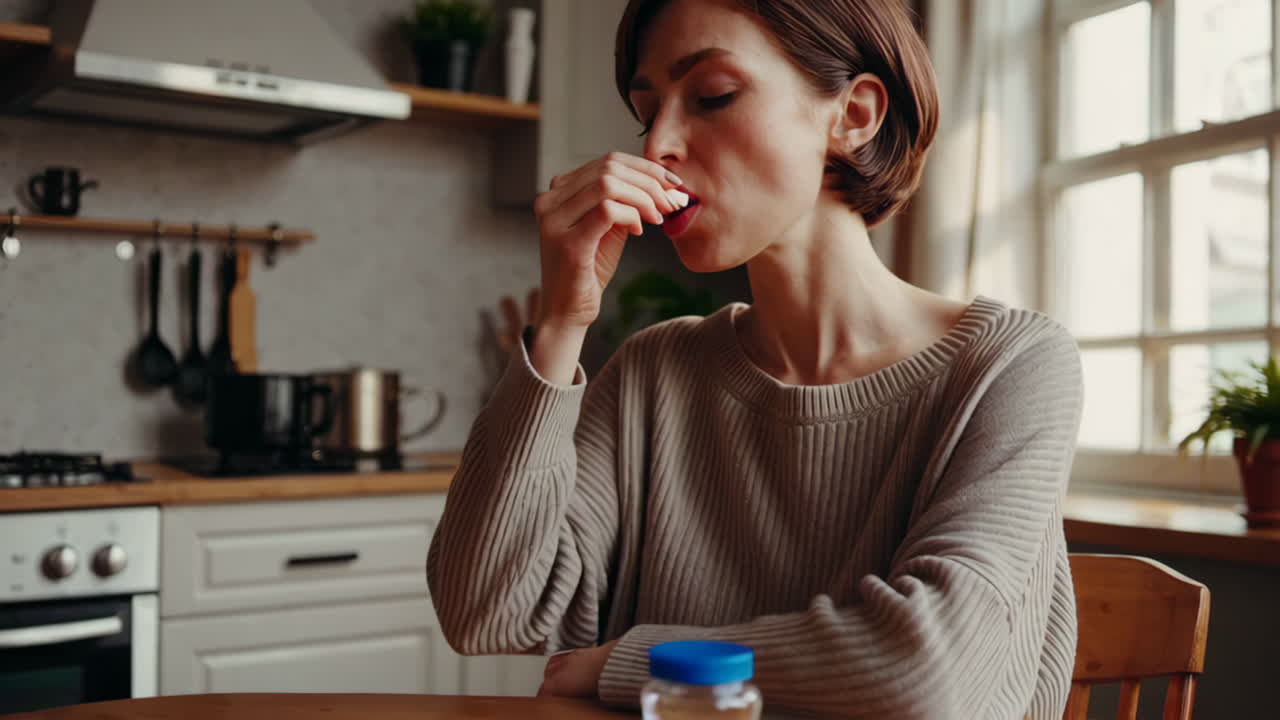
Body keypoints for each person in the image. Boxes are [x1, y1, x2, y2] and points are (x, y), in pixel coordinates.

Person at [427, 0, 1083, 717]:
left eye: (713, 96)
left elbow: (929, 674)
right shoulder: (654, 372)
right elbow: (485, 614)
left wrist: (628, 661)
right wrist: (562, 321)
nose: (658, 146)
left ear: (854, 115)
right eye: (646, 115)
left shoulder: (1009, 366)